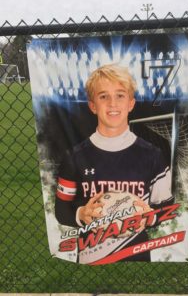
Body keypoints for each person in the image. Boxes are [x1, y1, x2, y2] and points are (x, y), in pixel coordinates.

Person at [55, 64, 174, 264]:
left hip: (136, 257)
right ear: (93, 106)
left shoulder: (153, 155)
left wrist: (151, 216)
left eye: (120, 95)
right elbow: (61, 209)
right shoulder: (74, 156)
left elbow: (167, 208)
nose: (112, 103)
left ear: (131, 103)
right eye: (103, 96)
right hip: (91, 257)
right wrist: (81, 213)